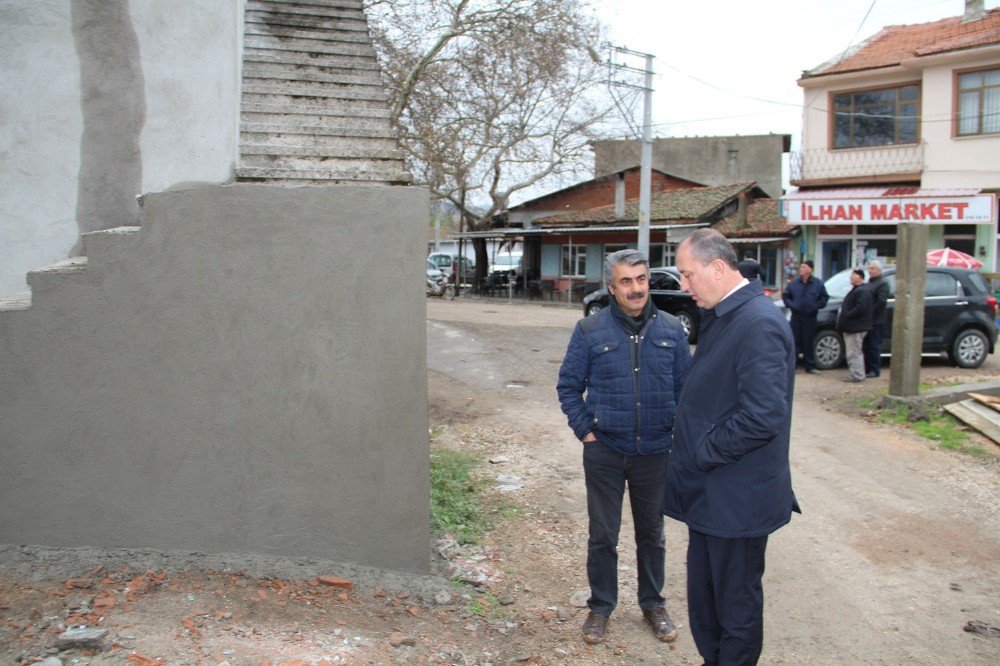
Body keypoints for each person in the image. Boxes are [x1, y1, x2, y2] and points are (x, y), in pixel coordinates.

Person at [664, 228, 799, 666]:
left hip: (736, 497)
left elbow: (763, 415)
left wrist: (704, 449)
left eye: (687, 275)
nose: (683, 285)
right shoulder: (725, 312)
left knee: (735, 608)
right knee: (706, 602)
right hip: (712, 494)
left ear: (718, 268)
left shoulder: (758, 323)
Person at [557, 249, 692, 646]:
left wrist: (675, 435)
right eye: (626, 282)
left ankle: (653, 604)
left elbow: (687, 392)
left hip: (655, 452)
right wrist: (586, 431)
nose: (636, 289)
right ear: (612, 287)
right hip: (606, 451)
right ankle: (600, 607)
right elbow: (568, 386)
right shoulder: (589, 331)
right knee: (603, 535)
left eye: (641, 279)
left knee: (652, 533)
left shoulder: (671, 330)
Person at [782, 259, 829, 374]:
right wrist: (791, 305)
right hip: (796, 317)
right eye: (801, 267)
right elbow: (786, 296)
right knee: (794, 342)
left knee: (808, 341)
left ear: (810, 269)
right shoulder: (794, 283)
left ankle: (810, 366)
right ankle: (793, 366)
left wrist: (816, 306)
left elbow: (824, 298)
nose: (801, 269)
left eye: (803, 267)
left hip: (810, 317)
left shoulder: (817, 283)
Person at [837, 269, 874, 383]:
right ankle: (857, 373)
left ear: (860, 277)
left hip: (856, 328)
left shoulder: (862, 291)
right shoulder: (857, 290)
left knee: (854, 352)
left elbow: (860, 308)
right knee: (854, 351)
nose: (851, 277)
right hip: (852, 326)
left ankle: (857, 374)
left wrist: (848, 314)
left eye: (854, 275)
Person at [863, 260, 889, 377]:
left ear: (878, 270)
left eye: (872, 268)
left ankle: (874, 369)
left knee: (874, 344)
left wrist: (870, 310)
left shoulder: (882, 283)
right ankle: (867, 368)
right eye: (869, 268)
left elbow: (881, 301)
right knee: (867, 345)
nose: (870, 270)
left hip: (876, 319)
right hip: (867, 319)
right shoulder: (869, 283)